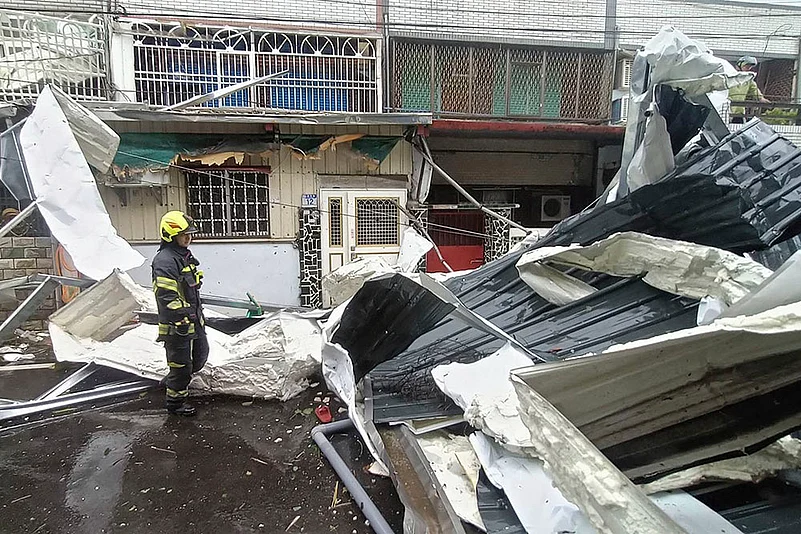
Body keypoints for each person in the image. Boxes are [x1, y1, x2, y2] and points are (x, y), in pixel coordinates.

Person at [152, 210, 208, 416]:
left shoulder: (183, 255)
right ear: (169, 235)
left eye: (190, 233)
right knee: (181, 365)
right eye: (184, 234)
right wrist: (183, 315)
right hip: (178, 325)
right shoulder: (165, 260)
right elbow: (166, 295)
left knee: (200, 356)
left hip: (193, 320)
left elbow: (190, 283)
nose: (188, 237)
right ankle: (175, 404)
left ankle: (172, 381)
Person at [730, 56, 770, 122]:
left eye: (750, 67)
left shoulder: (748, 80)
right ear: (739, 65)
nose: (748, 69)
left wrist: (765, 102)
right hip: (726, 110)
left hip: (739, 112)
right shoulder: (729, 76)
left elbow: (756, 92)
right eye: (746, 66)